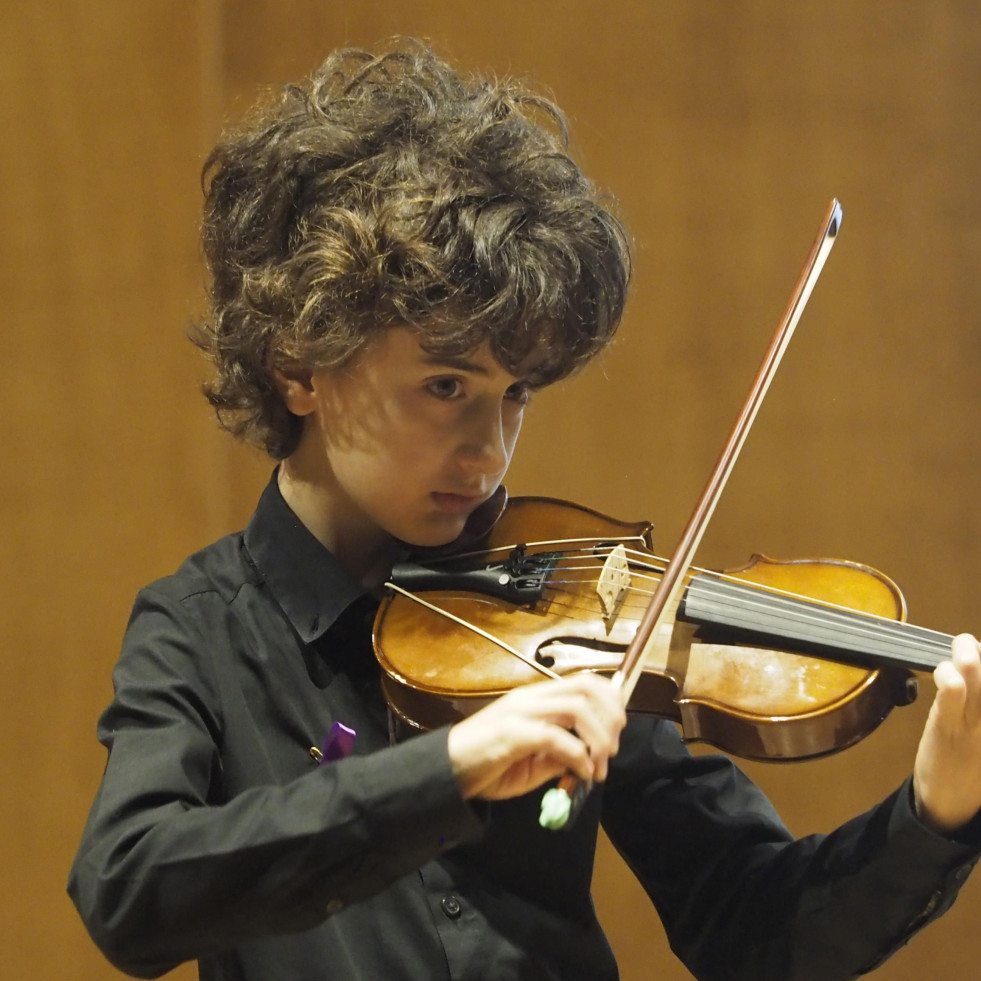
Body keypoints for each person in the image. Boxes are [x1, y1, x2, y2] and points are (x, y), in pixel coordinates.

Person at [69, 39, 981, 981]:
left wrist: (935, 813)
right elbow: (129, 890)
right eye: (445, 384)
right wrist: (446, 769)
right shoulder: (200, 629)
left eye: (516, 395)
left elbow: (757, 929)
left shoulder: (566, 618)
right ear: (300, 364)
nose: (490, 449)